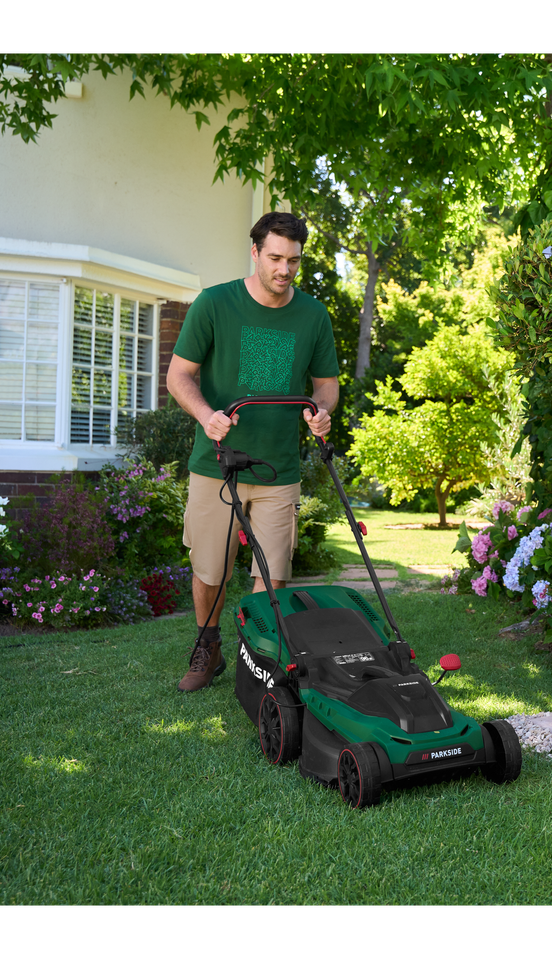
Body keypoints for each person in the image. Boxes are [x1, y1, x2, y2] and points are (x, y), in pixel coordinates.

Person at [167, 211, 340, 692]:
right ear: (256, 252)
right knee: (209, 571)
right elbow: (179, 375)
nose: (285, 269)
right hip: (216, 465)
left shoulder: (313, 315)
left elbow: (326, 386)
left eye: (294, 260)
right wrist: (206, 416)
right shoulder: (215, 304)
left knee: (274, 576)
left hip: (278, 467)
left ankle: (260, 660)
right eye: (276, 258)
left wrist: (321, 411)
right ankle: (208, 646)